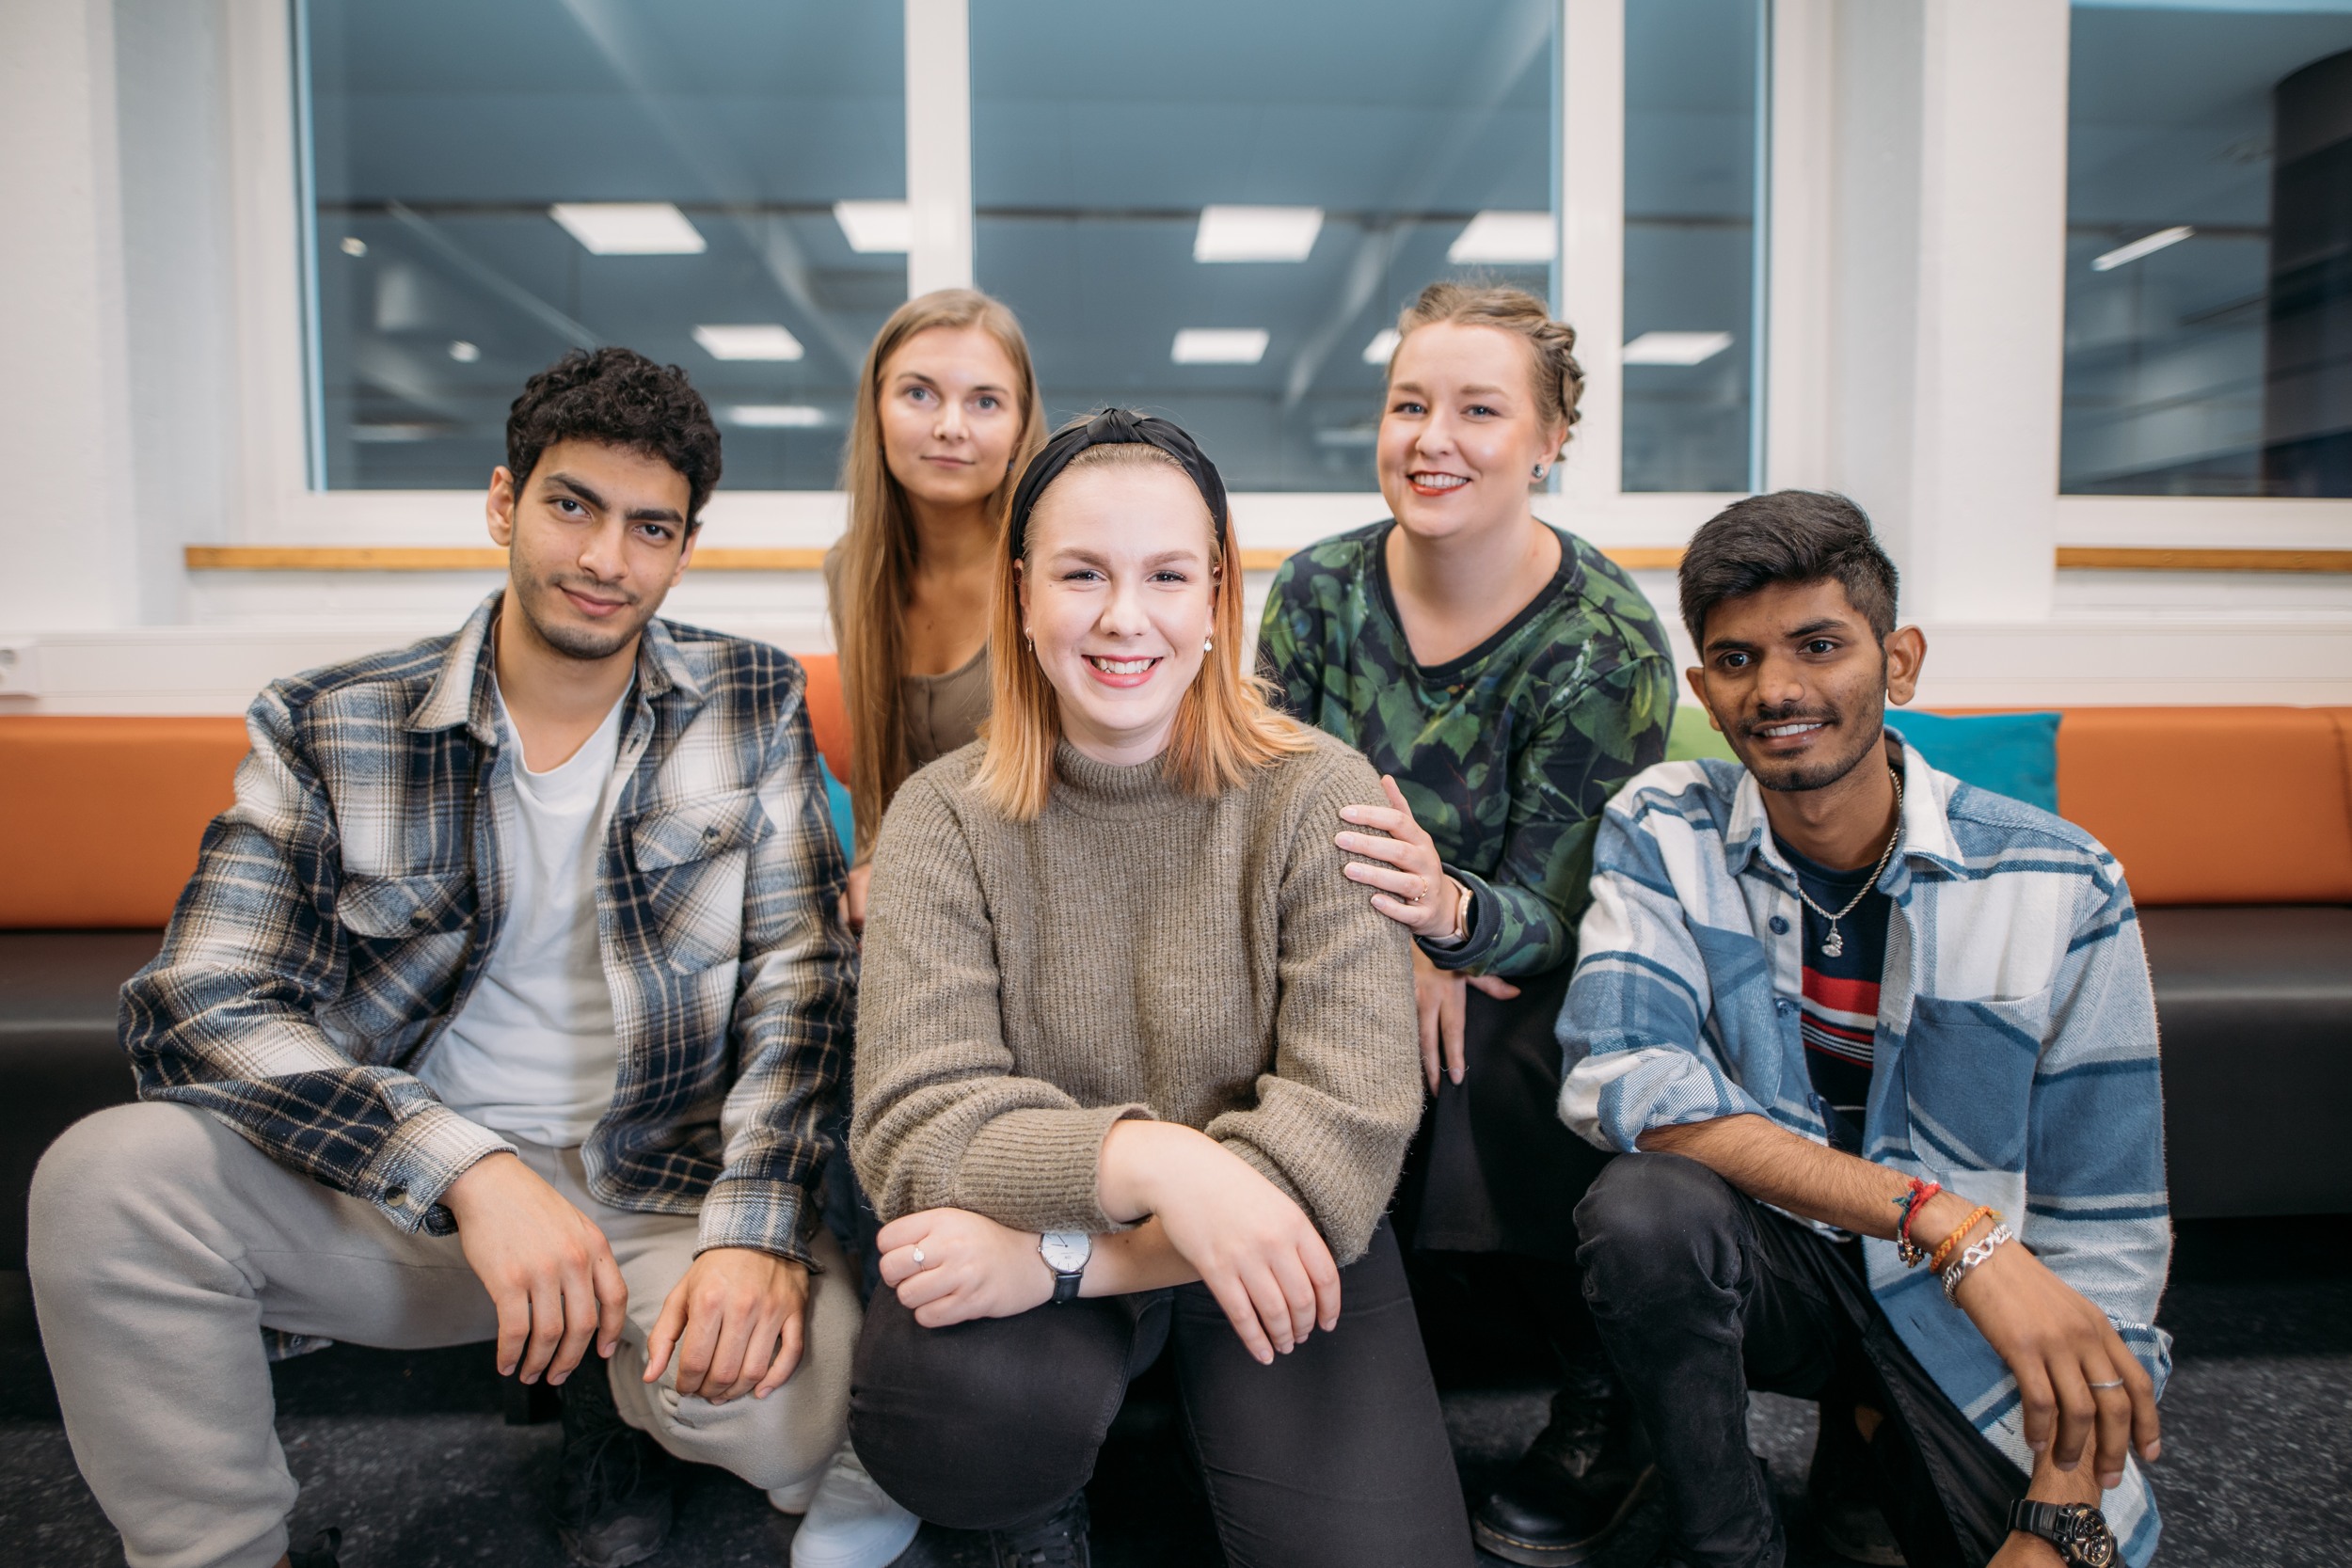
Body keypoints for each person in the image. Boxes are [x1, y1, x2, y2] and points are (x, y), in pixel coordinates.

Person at [27, 349, 917, 1568]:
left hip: (659, 1188)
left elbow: (798, 990)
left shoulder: (743, 696)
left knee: (792, 1413)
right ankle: (225, 1551)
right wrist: (471, 1167)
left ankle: (641, 1396)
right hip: (415, 1196)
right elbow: (200, 998)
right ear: (506, 501)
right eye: (573, 506)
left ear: (683, 546)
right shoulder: (332, 719)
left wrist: (756, 1230)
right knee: (105, 1180)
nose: (607, 558)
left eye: (649, 527)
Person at [845, 410, 1475, 1568]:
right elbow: (912, 1124)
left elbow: (1345, 1131)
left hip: (1276, 1237)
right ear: (1022, 592)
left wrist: (1077, 1257)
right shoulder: (943, 816)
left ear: (1216, 597)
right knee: (948, 1429)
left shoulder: (1319, 795)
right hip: (1055, 1215)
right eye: (1082, 573)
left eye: (1166, 575)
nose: (1124, 618)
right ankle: (1038, 1502)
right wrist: (1156, 1163)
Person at [1560, 491, 2169, 1568]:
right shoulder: (1662, 824)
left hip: (1965, 1317)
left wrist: (2061, 1505)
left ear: (1900, 662)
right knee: (1644, 1211)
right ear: (1705, 688)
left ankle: (1874, 1433)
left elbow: (2109, 1234)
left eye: (1818, 645)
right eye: (1738, 660)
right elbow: (1624, 1073)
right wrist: (1943, 1222)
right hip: (1788, 1265)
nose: (1779, 688)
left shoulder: (2064, 879)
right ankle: (1727, 1540)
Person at [1256, 280, 1676, 1566]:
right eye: (1408, 404)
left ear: (1550, 439)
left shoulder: (1605, 644)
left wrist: (1452, 923)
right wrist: (1400, 938)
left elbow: (1560, 906)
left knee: (1514, 1052)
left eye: (1478, 409)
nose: (1432, 437)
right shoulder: (1321, 589)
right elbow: (1259, 808)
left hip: (1519, 971)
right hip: (1336, 939)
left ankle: (1606, 1400)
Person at [827, 287, 1047, 933]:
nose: (950, 426)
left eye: (984, 401)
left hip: (1044, 906)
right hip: (925, 899)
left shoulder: (1053, 573)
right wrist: (879, 865)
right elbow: (884, 786)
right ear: (877, 411)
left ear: (1020, 424)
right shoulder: (852, 570)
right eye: (919, 393)